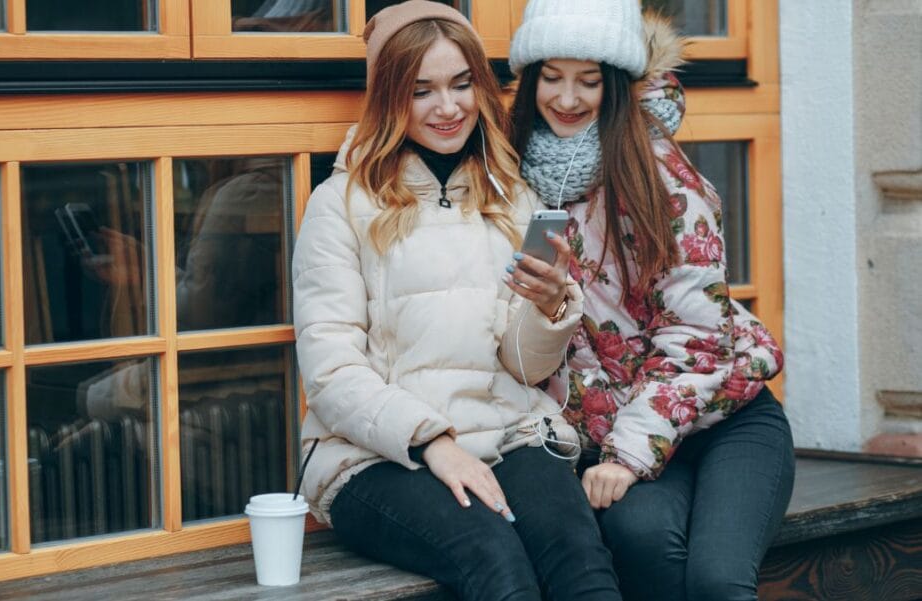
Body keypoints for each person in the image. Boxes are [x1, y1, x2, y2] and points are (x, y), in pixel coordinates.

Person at [294, 2, 621, 600]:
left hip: (507, 433)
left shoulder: (515, 197)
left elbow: (524, 368)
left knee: (581, 561)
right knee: (496, 560)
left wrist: (549, 311)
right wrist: (433, 443)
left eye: (461, 84)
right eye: (422, 90)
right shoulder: (338, 203)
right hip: (378, 454)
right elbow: (330, 373)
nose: (448, 107)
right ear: (391, 97)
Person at [508, 1, 795, 600]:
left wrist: (626, 456)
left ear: (616, 86)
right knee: (640, 537)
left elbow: (698, 337)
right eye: (551, 77)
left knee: (717, 580)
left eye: (588, 81)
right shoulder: (515, 178)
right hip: (621, 436)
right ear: (530, 78)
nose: (567, 98)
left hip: (723, 417)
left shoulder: (660, 175)